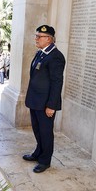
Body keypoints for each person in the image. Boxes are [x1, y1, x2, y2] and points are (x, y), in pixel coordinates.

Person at [23, 25, 66, 173]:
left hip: (46, 104)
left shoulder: (56, 57)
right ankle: (38, 153)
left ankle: (45, 160)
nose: (36, 38)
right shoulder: (40, 53)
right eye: (36, 36)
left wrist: (51, 105)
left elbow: (57, 82)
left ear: (48, 39)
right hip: (35, 101)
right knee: (37, 130)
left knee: (46, 132)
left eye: (39, 36)